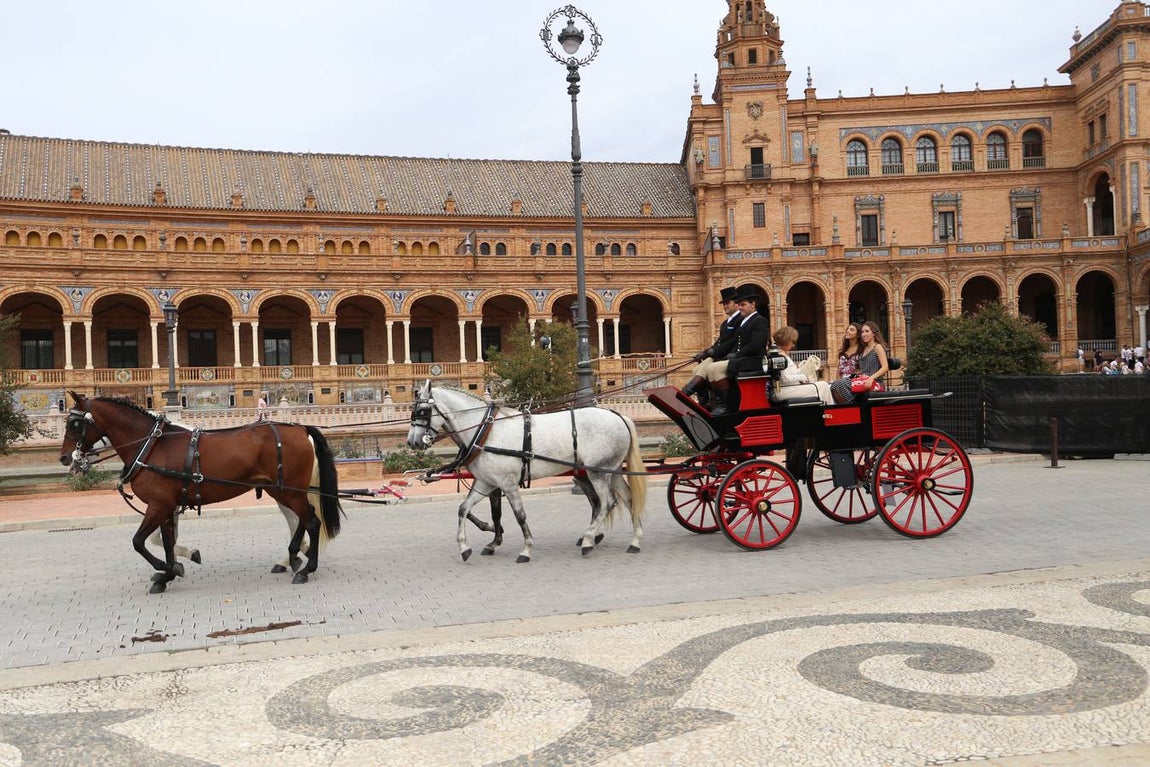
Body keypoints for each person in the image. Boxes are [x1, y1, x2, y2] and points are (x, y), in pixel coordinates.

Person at [696, 285, 771, 415]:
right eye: (739, 304)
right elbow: (735, 341)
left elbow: (755, 345)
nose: (740, 307)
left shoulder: (759, 321)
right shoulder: (745, 321)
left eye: (743, 304)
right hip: (742, 358)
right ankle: (716, 403)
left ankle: (726, 405)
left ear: (753, 304)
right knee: (711, 368)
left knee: (714, 368)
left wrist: (736, 354)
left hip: (752, 360)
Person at [683, 286, 740, 402]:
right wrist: (705, 352)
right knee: (696, 370)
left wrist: (713, 352)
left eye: (727, 303)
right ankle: (703, 401)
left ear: (736, 303)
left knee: (709, 369)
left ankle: (688, 393)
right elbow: (719, 342)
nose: (725, 306)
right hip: (719, 354)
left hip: (726, 355)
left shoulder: (740, 319)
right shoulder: (725, 323)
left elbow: (732, 341)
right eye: (723, 304)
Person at [770, 326, 835, 405]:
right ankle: (830, 412)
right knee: (823, 386)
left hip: (786, 389)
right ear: (786, 340)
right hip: (783, 391)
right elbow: (785, 379)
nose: (793, 345)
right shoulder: (779, 356)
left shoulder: (780, 353)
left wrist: (805, 367)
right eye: (793, 342)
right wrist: (803, 377)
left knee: (822, 385)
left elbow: (790, 374)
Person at [830, 321, 890, 404]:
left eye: (867, 331)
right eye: (862, 332)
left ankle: (854, 406)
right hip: (862, 380)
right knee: (834, 385)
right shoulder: (864, 349)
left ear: (874, 333)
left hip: (874, 381)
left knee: (839, 384)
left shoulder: (877, 347)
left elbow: (885, 367)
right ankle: (853, 405)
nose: (864, 334)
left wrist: (871, 378)